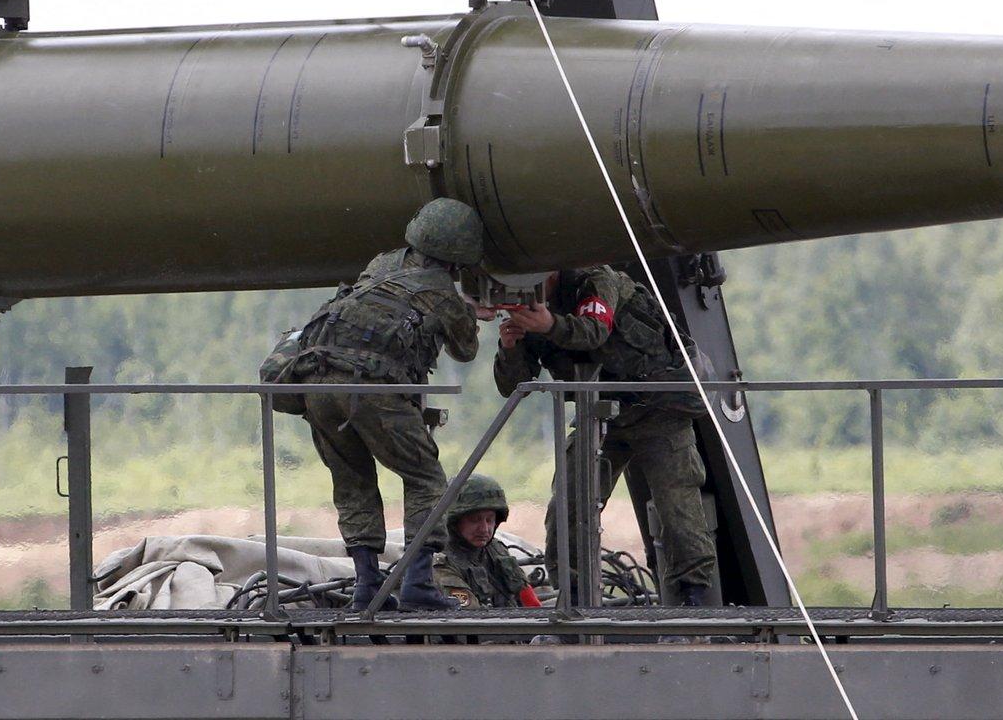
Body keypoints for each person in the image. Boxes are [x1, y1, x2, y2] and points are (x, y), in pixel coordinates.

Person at [269, 198, 488, 611]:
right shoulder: (443, 292)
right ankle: (418, 584)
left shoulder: (383, 262)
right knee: (426, 480)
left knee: (353, 482)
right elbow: (466, 349)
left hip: (316, 378)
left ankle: (367, 586)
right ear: (461, 256)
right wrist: (469, 312)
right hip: (371, 388)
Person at [494, 266, 718, 607]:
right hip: (597, 414)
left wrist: (549, 325)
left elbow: (594, 332)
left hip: (657, 411)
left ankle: (694, 598)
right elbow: (512, 385)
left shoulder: (595, 281)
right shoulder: (530, 308)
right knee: (568, 501)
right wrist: (509, 346)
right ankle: (573, 597)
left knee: (677, 506)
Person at [432, 474, 542, 608]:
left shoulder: (496, 549)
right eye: (474, 520)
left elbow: (530, 601)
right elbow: (471, 614)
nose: (484, 529)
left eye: (489, 520)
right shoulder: (442, 562)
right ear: (454, 523)